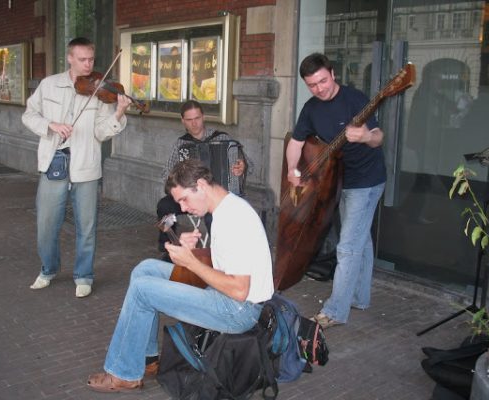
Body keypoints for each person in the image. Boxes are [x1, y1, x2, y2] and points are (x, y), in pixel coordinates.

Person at [86, 159, 274, 392]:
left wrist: (192, 263)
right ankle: (147, 358)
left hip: (238, 311)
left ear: (202, 185)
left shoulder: (233, 218)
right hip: (228, 296)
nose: (183, 208)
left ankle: (124, 374)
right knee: (145, 269)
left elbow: (239, 289)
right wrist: (195, 253)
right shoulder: (227, 207)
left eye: (184, 199)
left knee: (142, 289)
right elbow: (230, 261)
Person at [22, 37, 132, 298]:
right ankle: (48, 269)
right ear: (69, 58)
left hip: (86, 165)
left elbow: (101, 132)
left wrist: (118, 113)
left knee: (87, 225)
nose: (88, 65)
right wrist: (50, 125)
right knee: (46, 224)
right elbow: (29, 115)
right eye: (82, 59)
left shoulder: (101, 89)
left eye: (91, 59)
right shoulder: (49, 85)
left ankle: (84, 275)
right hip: (54, 161)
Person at [285, 53, 386, 328]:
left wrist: (365, 136)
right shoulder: (311, 108)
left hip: (366, 181)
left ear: (333, 73)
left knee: (348, 246)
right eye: (312, 85)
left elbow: (378, 137)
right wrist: (292, 169)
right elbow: (295, 142)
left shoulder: (354, 99)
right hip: (338, 180)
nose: (320, 89)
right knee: (359, 239)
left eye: (323, 81)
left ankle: (335, 311)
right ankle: (360, 298)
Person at [157, 100, 248, 256]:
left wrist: (242, 166)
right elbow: (166, 174)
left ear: (203, 117)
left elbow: (247, 163)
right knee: (164, 206)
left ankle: (219, 254)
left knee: (213, 217)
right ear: (183, 121)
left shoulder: (223, 138)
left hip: (215, 197)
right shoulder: (181, 144)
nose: (194, 123)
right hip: (190, 196)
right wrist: (179, 180)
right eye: (189, 120)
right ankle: (170, 247)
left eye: (197, 118)